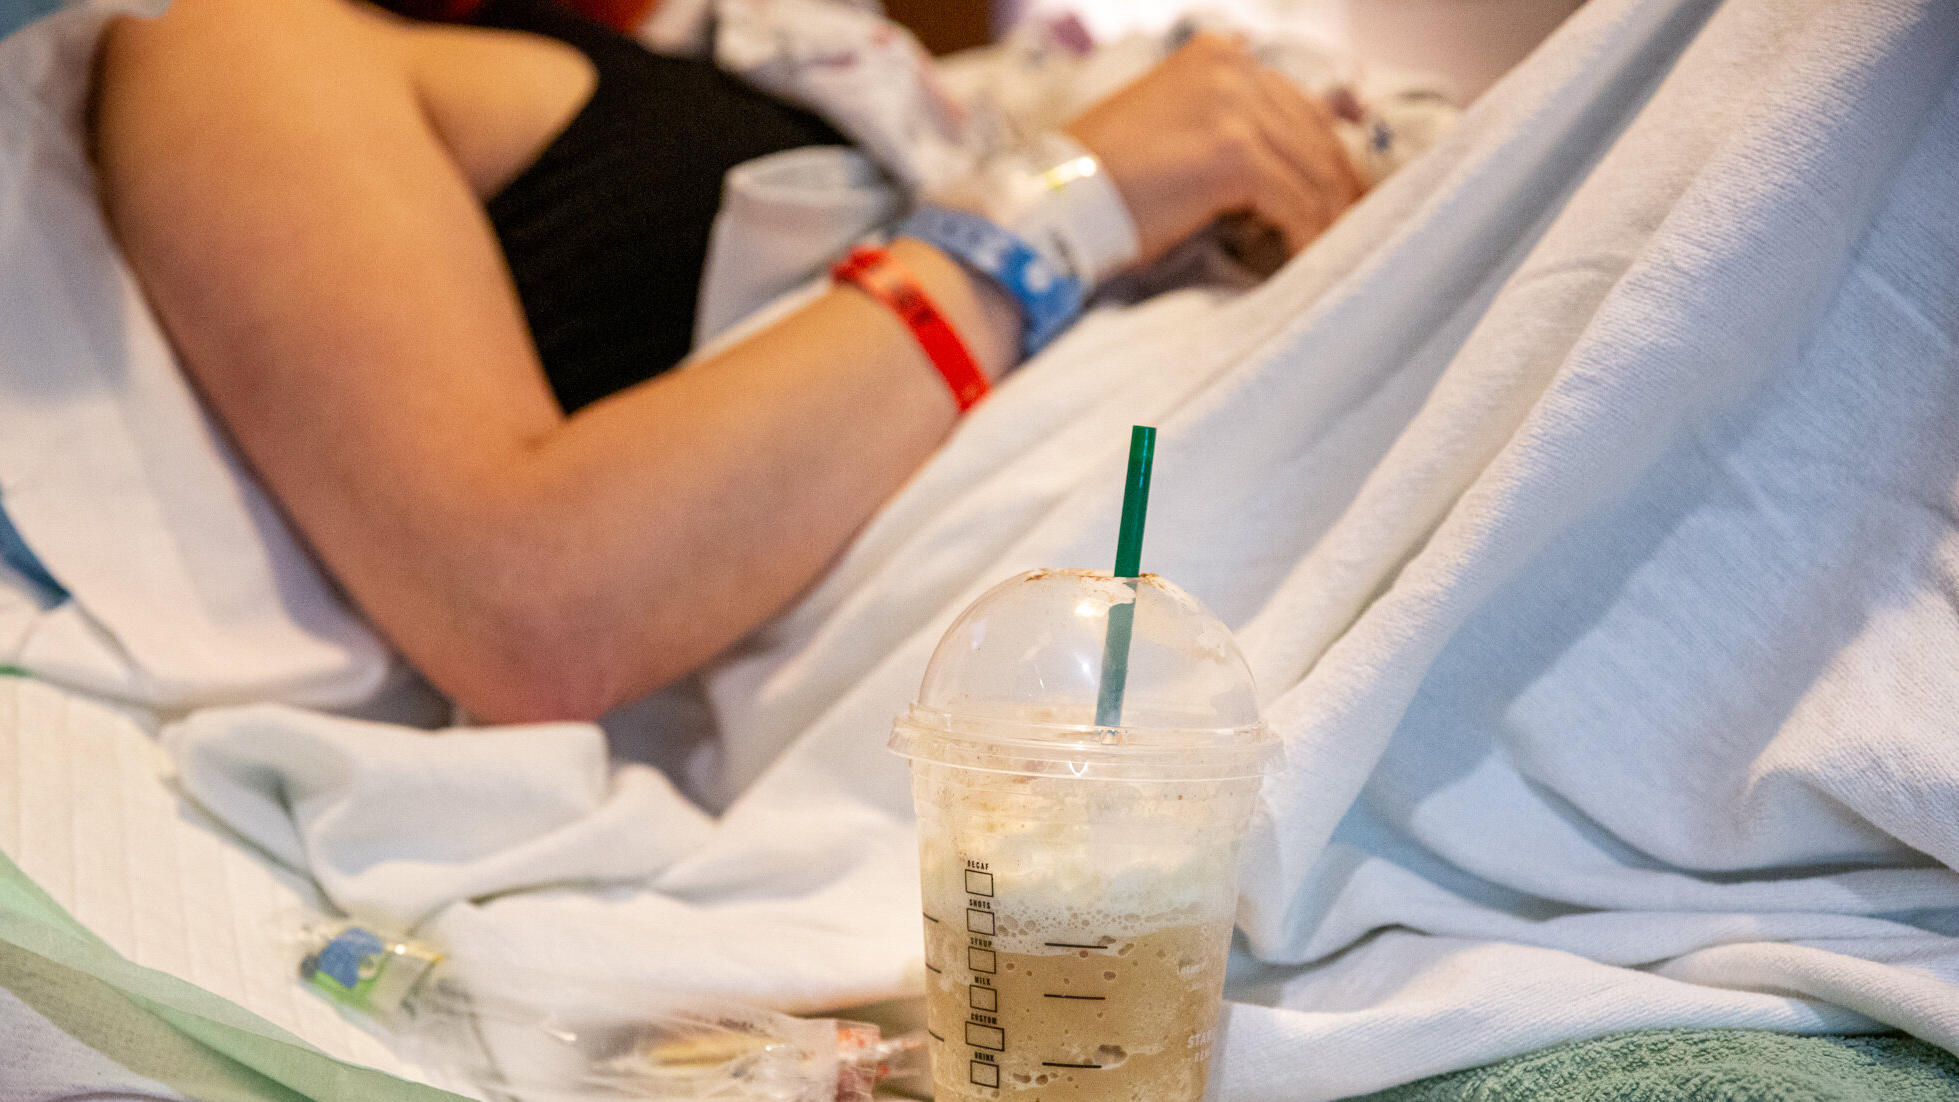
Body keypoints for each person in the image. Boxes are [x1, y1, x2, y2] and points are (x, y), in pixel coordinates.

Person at [90, 0, 1364, 725]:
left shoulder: (732, 37)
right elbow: (527, 604)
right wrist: (1059, 209)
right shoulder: (230, 43)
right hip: (1050, 626)